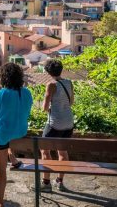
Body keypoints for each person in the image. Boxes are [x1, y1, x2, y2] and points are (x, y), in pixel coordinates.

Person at [0, 63, 33, 207]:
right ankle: (12, 158)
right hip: (20, 132)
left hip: (3, 135)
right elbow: (27, 112)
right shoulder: (27, 93)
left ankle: (0, 201)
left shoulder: (2, 94)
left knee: (1, 169)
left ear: (4, 78)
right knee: (8, 138)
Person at [40, 58, 74, 192]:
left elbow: (44, 107)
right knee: (63, 152)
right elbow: (71, 102)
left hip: (54, 124)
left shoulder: (51, 84)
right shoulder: (69, 83)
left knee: (44, 150)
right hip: (68, 122)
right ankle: (59, 182)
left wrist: (50, 107)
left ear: (48, 71)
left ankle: (46, 182)